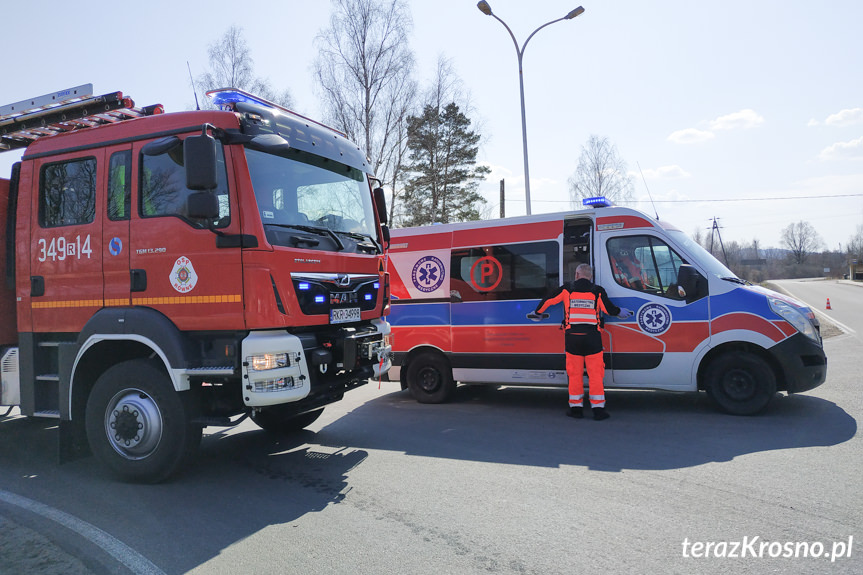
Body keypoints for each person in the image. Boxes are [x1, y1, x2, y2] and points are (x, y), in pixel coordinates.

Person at [534, 263, 632, 420]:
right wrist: (620, 312)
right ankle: (598, 410)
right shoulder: (597, 291)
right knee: (595, 374)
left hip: (573, 338)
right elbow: (609, 309)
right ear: (590, 276)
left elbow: (549, 300)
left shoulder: (567, 289)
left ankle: (576, 409)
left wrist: (538, 312)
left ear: (577, 275)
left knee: (574, 374)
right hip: (593, 339)